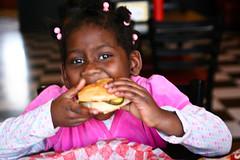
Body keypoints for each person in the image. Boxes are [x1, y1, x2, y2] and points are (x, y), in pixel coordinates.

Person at [0, 0, 232, 159]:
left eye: (104, 56)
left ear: (133, 64)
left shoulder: (153, 92)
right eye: (77, 61)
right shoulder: (56, 103)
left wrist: (162, 117)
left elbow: (222, 142)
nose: (91, 70)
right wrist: (49, 117)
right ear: (65, 76)